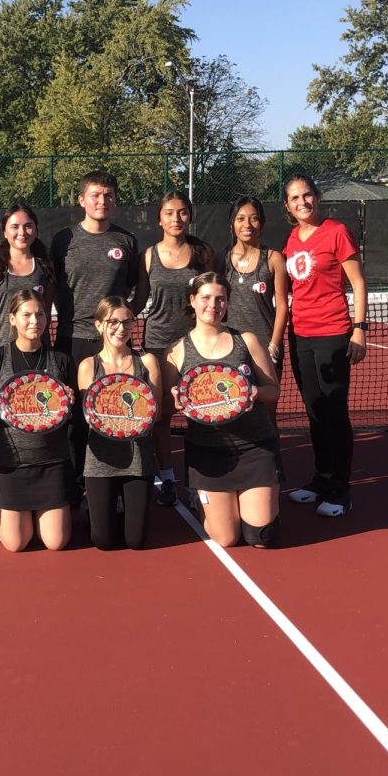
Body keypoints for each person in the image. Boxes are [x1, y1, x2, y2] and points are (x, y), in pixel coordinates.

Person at [164, 272, 281, 548]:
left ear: (227, 303)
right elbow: (168, 406)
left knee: (261, 538)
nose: (213, 305)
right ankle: (201, 496)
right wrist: (175, 400)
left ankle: (264, 496)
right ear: (193, 301)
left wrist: (256, 392)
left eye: (220, 299)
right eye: (206, 298)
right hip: (208, 453)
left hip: (255, 446)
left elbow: (273, 390)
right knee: (227, 539)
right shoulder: (177, 350)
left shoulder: (248, 340)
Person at [281, 173, 368, 517]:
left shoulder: (336, 232)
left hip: (332, 332)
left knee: (334, 410)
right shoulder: (291, 238)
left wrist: (359, 329)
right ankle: (321, 477)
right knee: (314, 410)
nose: (303, 202)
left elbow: (358, 283)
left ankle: (341, 489)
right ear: (287, 206)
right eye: (295, 198)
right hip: (299, 334)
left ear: (317, 197)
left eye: (307, 195)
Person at [49, 171, 138, 492]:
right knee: (72, 419)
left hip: (112, 346)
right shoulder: (62, 240)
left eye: (108, 195)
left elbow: (134, 292)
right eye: (96, 195)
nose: (102, 201)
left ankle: (109, 486)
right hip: (70, 340)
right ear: (81, 200)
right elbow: (52, 287)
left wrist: (123, 324)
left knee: (111, 414)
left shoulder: (126, 241)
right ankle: (75, 488)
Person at [132, 191, 217, 507]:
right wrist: (114, 315)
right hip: (157, 346)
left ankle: (199, 483)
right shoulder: (148, 256)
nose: (176, 218)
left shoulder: (203, 253)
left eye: (182, 212)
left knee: (200, 417)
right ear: (159, 218)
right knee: (161, 415)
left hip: (197, 345)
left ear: (190, 216)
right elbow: (140, 301)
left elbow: (213, 297)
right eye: (169, 213)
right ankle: (165, 478)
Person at [0, 289, 77, 552]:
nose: (35, 321)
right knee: (16, 544)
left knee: (56, 543)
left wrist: (67, 402)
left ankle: (39, 513)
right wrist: (18, 410)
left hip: (52, 461)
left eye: (40, 314)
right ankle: (7, 511)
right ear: (12, 318)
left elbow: (74, 417)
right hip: (10, 464)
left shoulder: (61, 360)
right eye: (27, 315)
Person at [77, 298, 160, 550]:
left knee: (135, 541)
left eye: (127, 322)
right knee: (103, 541)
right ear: (99, 325)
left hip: (138, 458)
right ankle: (90, 505)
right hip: (100, 459)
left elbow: (156, 414)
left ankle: (135, 500)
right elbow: (88, 416)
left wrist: (134, 420)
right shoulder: (88, 365)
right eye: (113, 322)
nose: (120, 328)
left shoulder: (146, 362)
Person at [223, 196, 290, 438]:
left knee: (266, 414)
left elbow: (282, 306)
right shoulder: (222, 261)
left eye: (253, 218)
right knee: (232, 411)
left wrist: (273, 344)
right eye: (240, 219)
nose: (247, 225)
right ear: (232, 224)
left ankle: (273, 469)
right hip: (231, 348)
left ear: (261, 223)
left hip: (265, 347)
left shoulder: (272, 259)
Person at [0, 204, 55, 351]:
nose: (22, 232)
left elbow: (47, 313)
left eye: (28, 226)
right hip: (2, 350)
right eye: (15, 226)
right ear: (5, 232)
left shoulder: (46, 266)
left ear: (36, 230)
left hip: (39, 352)